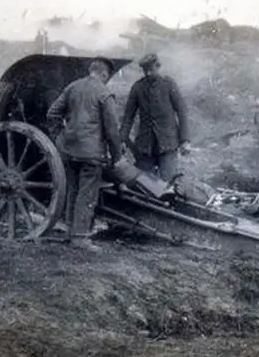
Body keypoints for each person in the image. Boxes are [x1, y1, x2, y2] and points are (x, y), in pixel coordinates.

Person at [47, 58, 123, 250]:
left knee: (72, 189)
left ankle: (69, 230)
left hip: (69, 150)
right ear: (104, 74)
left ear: (91, 70)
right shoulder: (104, 93)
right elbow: (113, 131)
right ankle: (79, 237)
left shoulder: (73, 87)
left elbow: (52, 113)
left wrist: (60, 138)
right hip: (91, 153)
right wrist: (117, 157)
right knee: (87, 193)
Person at [120, 53, 191, 182]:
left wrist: (185, 140)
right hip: (145, 146)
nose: (147, 74)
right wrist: (122, 140)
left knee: (167, 183)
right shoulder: (137, 87)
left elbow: (182, 111)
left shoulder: (169, 84)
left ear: (158, 67)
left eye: (150, 70)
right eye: (145, 70)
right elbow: (128, 117)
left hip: (168, 144)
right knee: (144, 183)